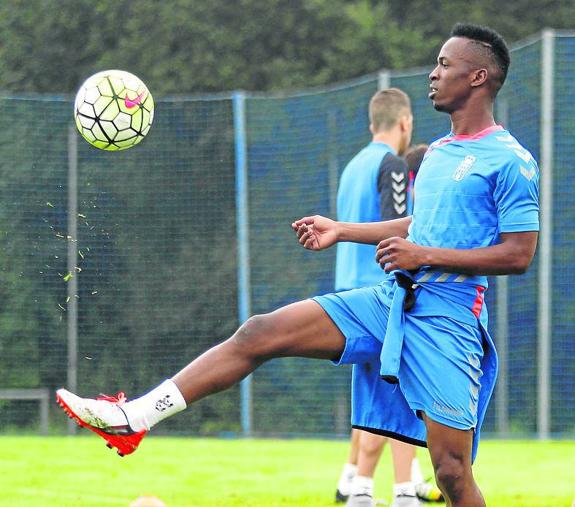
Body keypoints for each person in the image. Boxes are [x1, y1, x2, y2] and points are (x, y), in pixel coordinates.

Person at [56, 23, 539, 507]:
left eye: (444, 64)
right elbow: (420, 225)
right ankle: (134, 418)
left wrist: (424, 256)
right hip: (393, 301)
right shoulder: (437, 153)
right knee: (261, 332)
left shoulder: (510, 159)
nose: (432, 74)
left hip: (450, 318)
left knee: (452, 473)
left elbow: (519, 253)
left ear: (478, 77)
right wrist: (342, 230)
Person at [334, 119, 441, 506]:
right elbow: (395, 234)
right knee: (396, 391)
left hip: (348, 289)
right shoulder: (394, 165)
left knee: (374, 393)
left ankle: (357, 483)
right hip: (381, 293)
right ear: (404, 122)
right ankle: (397, 492)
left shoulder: (352, 167)